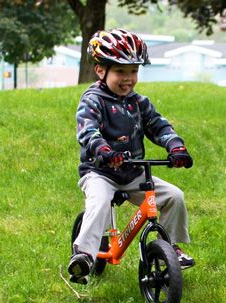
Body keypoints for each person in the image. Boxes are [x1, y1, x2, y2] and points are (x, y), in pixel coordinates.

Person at [68, 28, 195, 284]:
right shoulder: (93, 100)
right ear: (100, 71)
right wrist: (104, 150)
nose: (128, 79)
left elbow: (159, 126)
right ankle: (84, 255)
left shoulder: (138, 102)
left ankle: (169, 247)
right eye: (120, 72)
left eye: (134, 71)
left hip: (133, 172)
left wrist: (176, 147)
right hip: (101, 172)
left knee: (174, 197)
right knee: (99, 204)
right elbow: (88, 131)